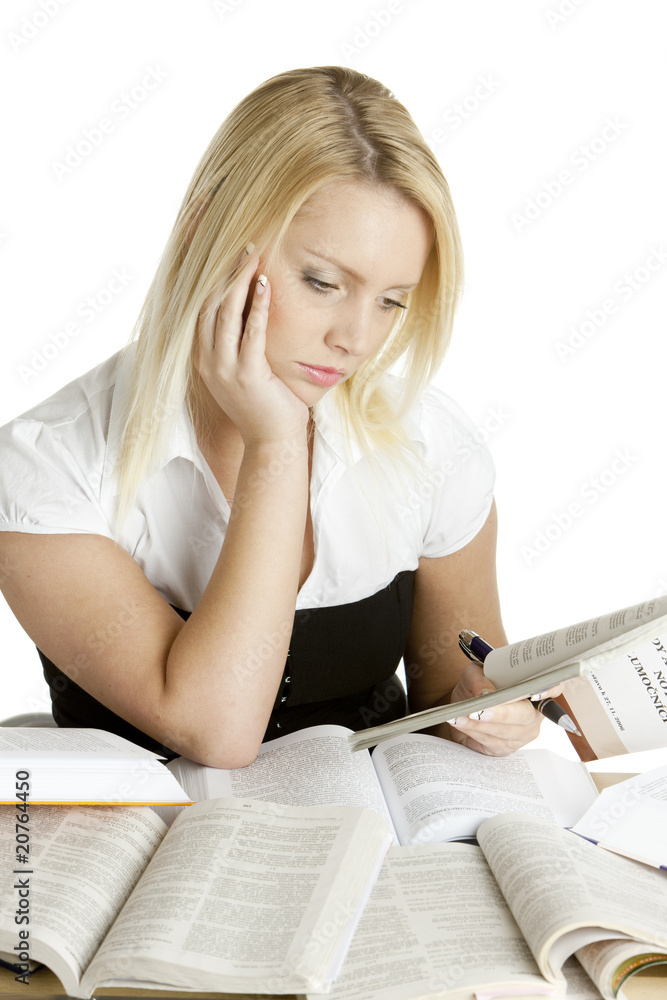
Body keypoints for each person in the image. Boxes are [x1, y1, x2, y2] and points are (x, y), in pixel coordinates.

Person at [0, 65, 548, 767]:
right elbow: (216, 731)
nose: (356, 339)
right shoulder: (45, 467)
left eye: (391, 301)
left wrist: (486, 714)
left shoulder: (434, 446)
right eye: (323, 282)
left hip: (369, 824)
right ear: (207, 233)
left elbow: (448, 699)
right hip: (149, 834)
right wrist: (276, 444)